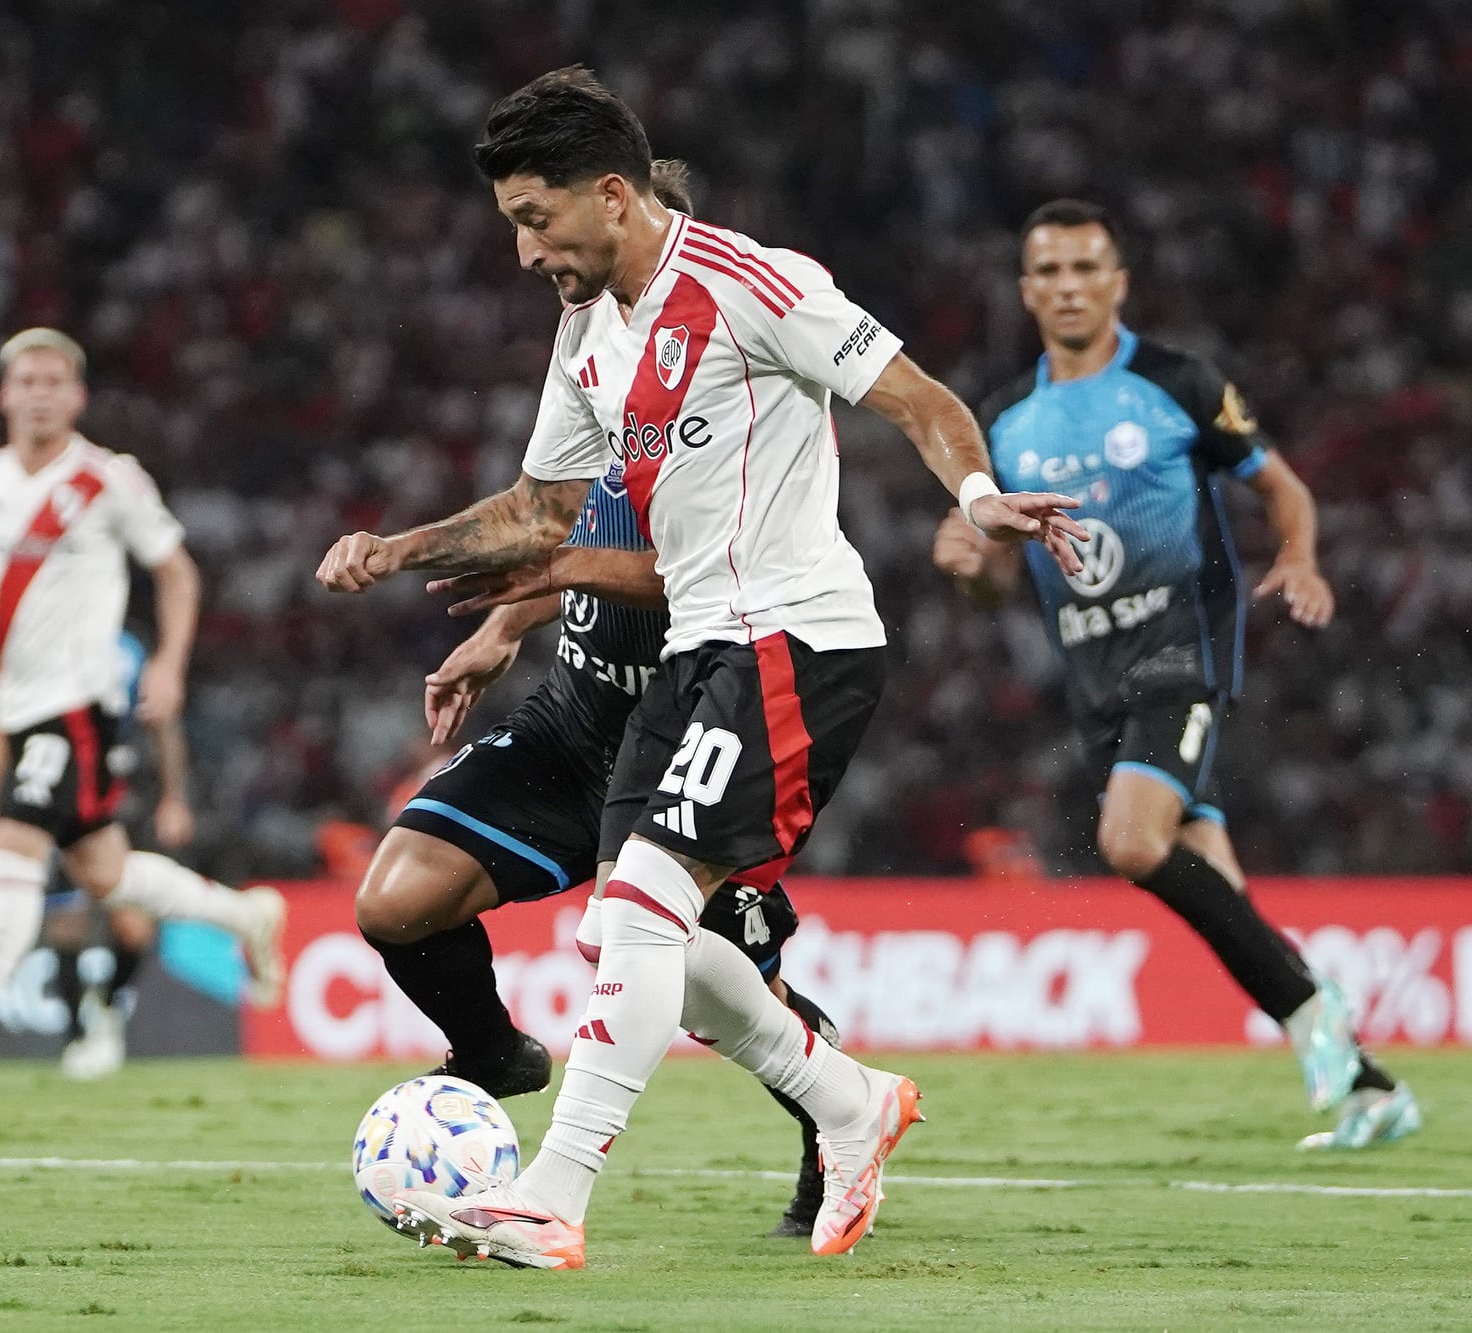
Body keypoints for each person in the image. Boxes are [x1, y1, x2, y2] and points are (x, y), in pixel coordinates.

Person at [318, 68, 1084, 1266]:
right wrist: (398, 549)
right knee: (641, 937)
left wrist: (978, 496)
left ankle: (552, 1196)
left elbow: (915, 396)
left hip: (795, 636)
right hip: (694, 652)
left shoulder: (751, 284)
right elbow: (542, 510)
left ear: (611, 196)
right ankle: (848, 1101)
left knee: (632, 909)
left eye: (535, 219)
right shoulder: (588, 333)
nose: (523, 252)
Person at [363, 164, 844, 1228]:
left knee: (728, 996)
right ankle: (491, 1052)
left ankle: (835, 1121)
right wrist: (501, 627)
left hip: (692, 729)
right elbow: (570, 533)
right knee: (395, 898)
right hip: (578, 716)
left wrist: (531, 586)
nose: (554, 267)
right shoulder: (588, 366)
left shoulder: (725, 389)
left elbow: (687, 569)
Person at [931, 198, 1422, 1150]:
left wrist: (1303, 558)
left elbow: (1282, 486)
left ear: (1118, 281)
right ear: (1027, 290)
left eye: (1087, 268)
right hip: (1096, 677)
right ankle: (1368, 1086)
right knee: (1216, 884)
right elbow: (998, 580)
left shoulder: (1176, 383)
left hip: (1181, 650)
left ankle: (1315, 1010)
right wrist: (970, 562)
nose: (1069, 286)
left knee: (1129, 840)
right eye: (1051, 272)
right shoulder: (1003, 417)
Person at [0, 327, 288, 1077]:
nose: (38, 393)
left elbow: (177, 573)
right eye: (25, 380)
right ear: (4, 394)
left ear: (77, 395)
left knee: (13, 847)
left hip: (80, 702)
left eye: (53, 381)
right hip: (19, 702)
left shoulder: (108, 479)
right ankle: (245, 914)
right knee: (105, 872)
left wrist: (168, 662)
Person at [0, 624, 189, 1082]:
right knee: (67, 923)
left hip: (119, 793)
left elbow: (161, 722)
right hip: (61, 791)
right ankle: (76, 1035)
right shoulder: (41, 645)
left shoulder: (128, 651)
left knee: (133, 924)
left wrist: (173, 797)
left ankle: (107, 1007)